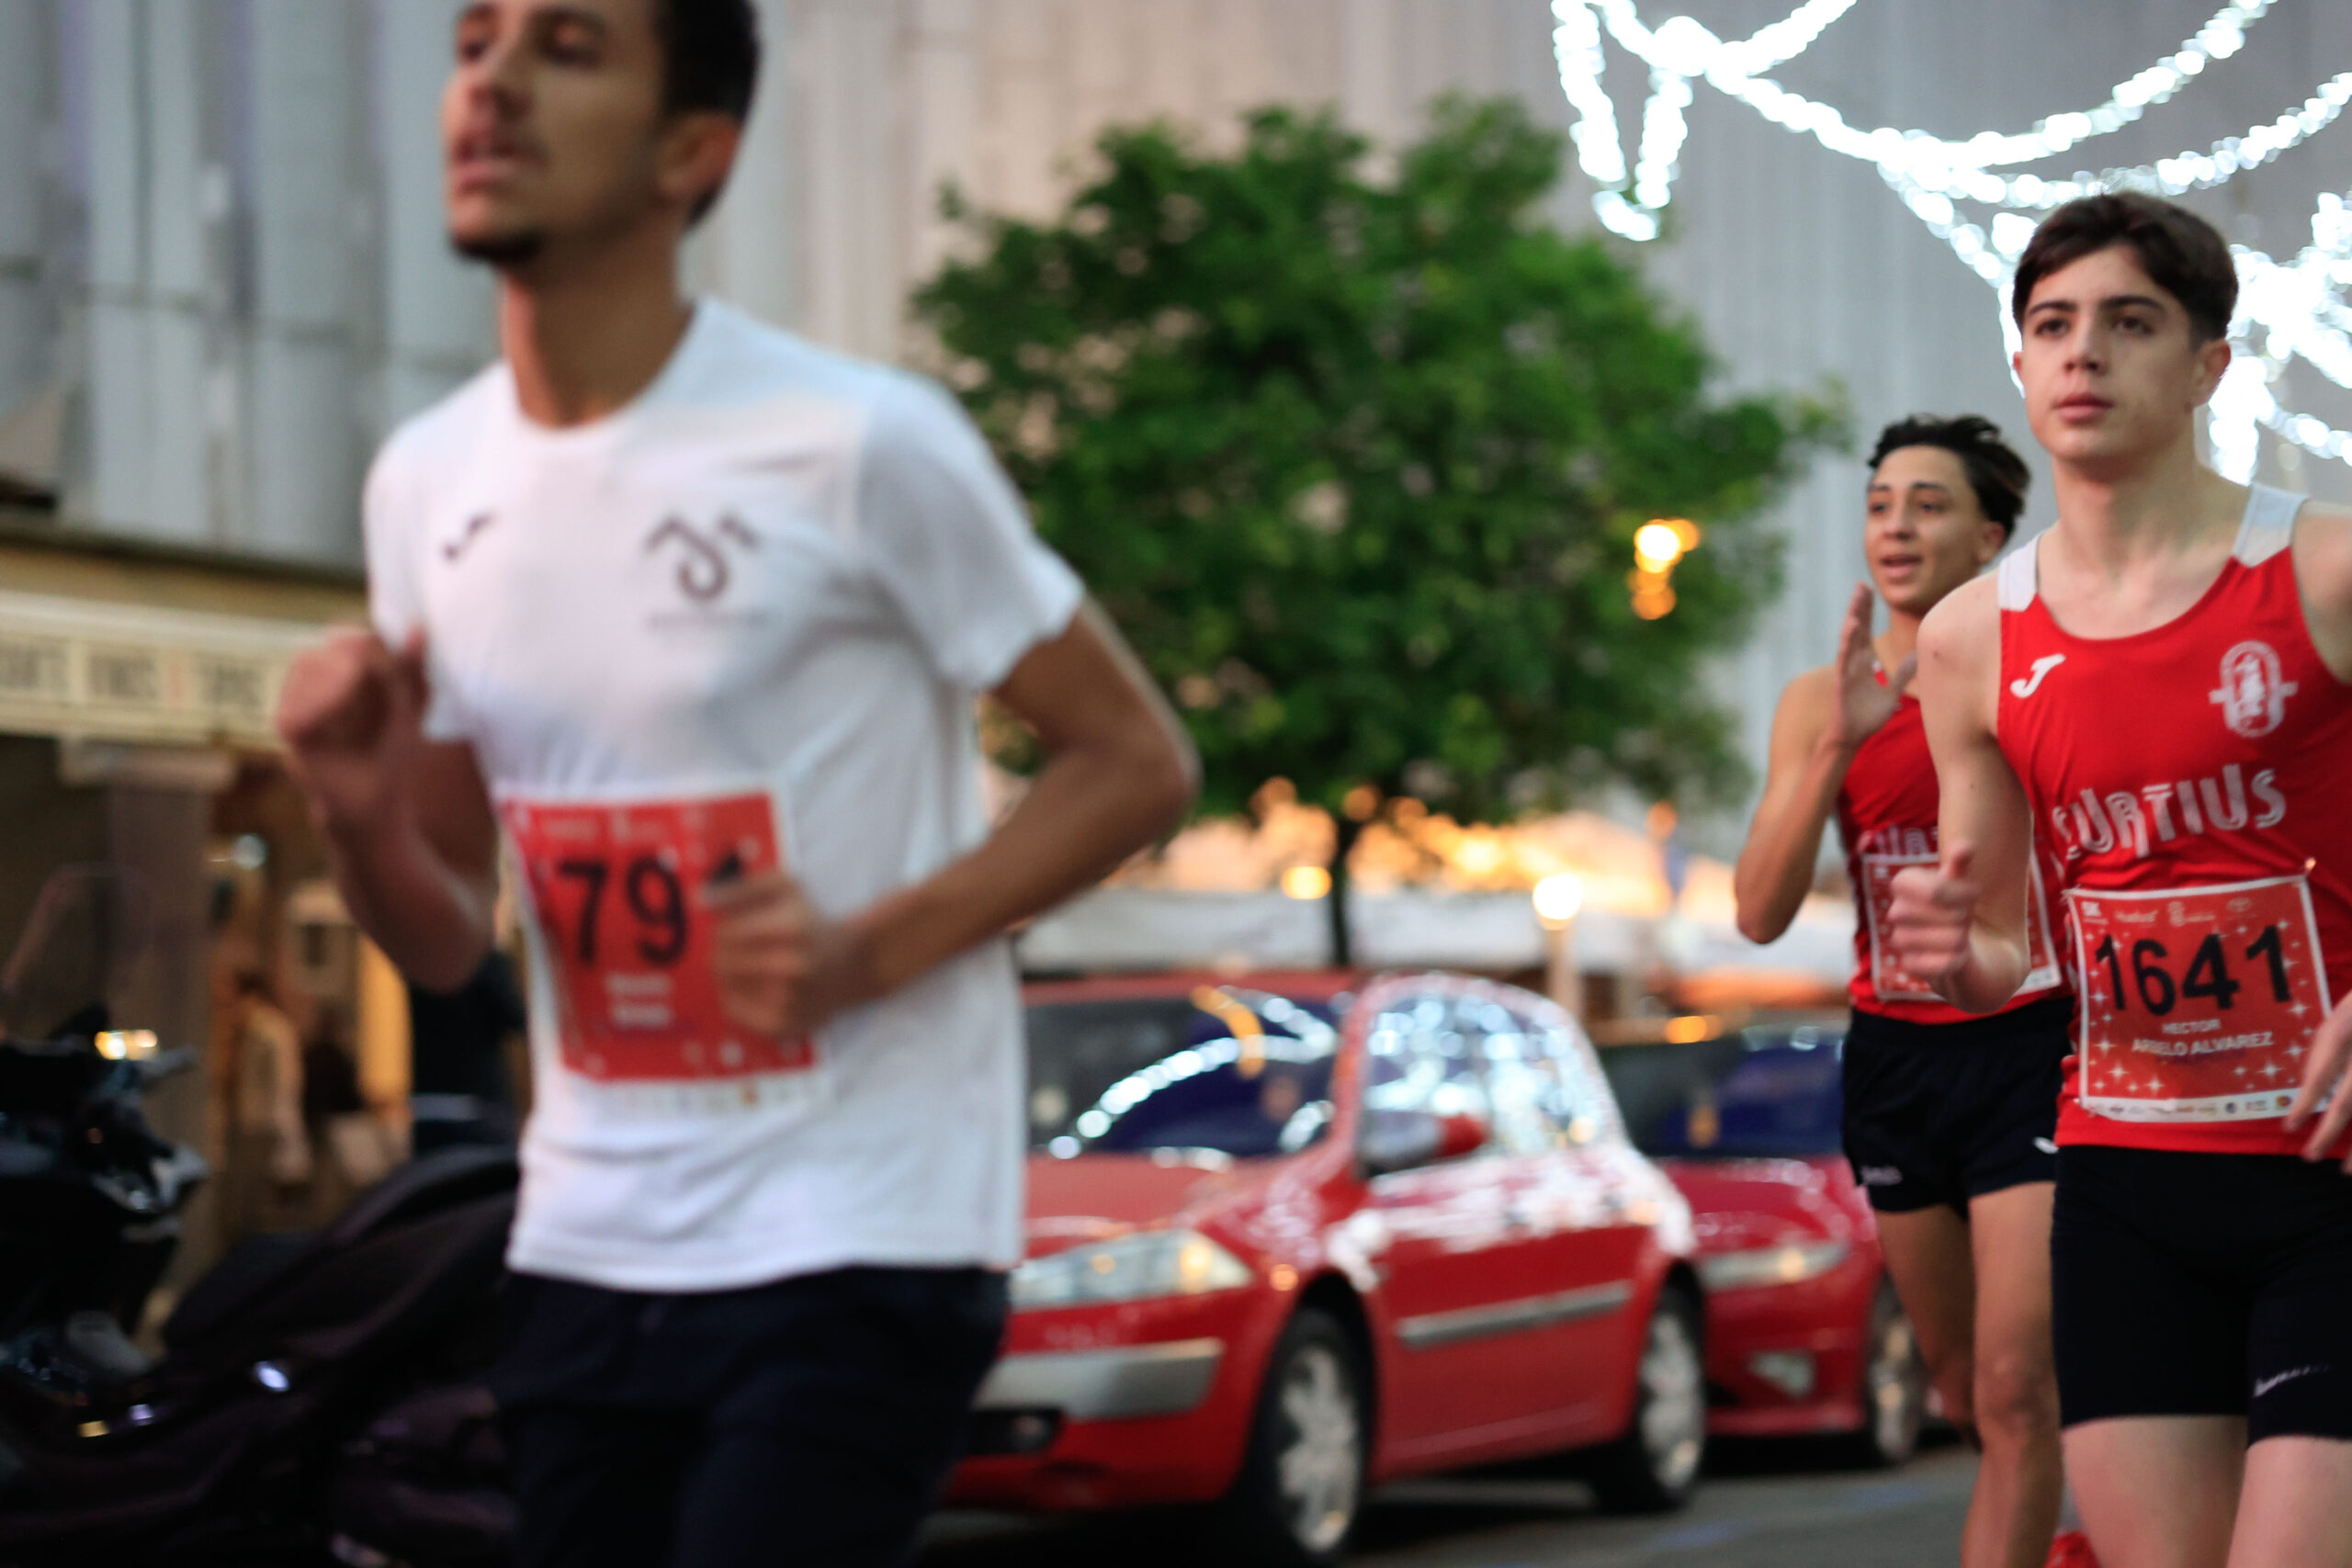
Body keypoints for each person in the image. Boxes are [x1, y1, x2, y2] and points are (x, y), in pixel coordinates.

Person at [270, 3, 1198, 1563]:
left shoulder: (860, 442)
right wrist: (352, 810)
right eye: (475, 42)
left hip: (862, 1224)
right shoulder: (427, 479)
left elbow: (1136, 760)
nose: (492, 85)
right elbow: (444, 938)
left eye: (568, 48)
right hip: (590, 1234)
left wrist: (863, 951)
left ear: (691, 150)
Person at [1888, 191, 2352, 1568]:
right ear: (2021, 363)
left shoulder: (2326, 569)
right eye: (2052, 325)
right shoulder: (1970, 638)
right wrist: (1948, 959)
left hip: (2332, 1172)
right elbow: (1996, 946)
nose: (2083, 351)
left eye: (2128, 322)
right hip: (2126, 1178)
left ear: (2208, 364)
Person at [1733, 414, 2068, 1568]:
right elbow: (1757, 913)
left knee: (2017, 1387)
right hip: (1893, 1059)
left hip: (2030, 1039)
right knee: (1963, 1389)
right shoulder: (1815, 699)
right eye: (1880, 505)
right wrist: (1838, 743)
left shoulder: (2039, 671)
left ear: (1989, 536)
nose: (1896, 527)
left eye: (1928, 505)